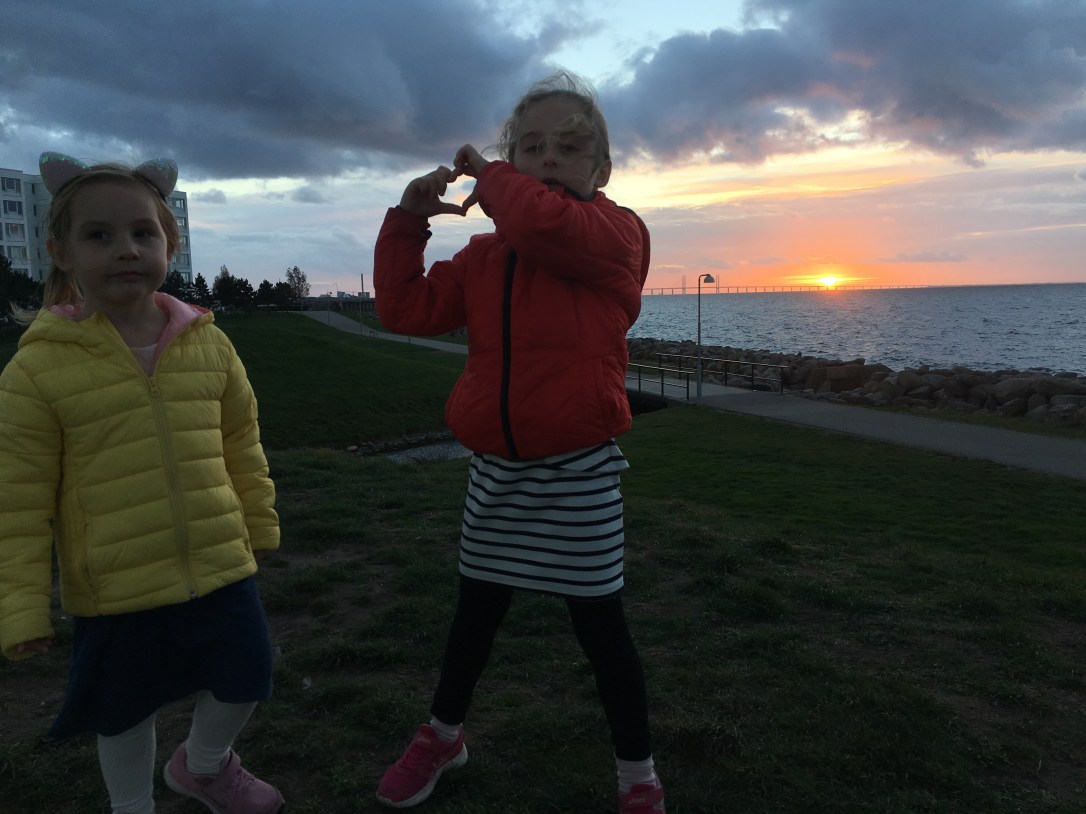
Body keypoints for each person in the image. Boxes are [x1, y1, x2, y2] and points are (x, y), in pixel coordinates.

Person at [373, 72, 665, 813]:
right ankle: (443, 736)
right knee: (474, 617)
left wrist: (495, 173)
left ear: (602, 170)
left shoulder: (617, 236)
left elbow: (543, 227)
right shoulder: (483, 258)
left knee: (602, 632)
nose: (548, 159)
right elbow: (404, 310)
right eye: (530, 147)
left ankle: (638, 776)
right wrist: (407, 222)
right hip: (497, 474)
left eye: (570, 147)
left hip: (579, 474)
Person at [0, 152, 284, 814]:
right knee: (124, 713)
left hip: (219, 563)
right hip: (116, 586)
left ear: (169, 243)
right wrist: (20, 607)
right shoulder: (36, 371)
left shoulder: (210, 344)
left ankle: (203, 767)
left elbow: (240, 442)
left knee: (248, 676)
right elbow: (17, 501)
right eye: (99, 235)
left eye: (142, 232)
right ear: (62, 253)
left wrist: (258, 522)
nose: (125, 249)